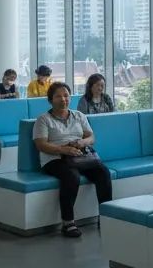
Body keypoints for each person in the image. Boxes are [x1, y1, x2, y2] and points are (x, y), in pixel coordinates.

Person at [33, 81, 112, 237]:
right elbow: (41, 145)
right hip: (54, 159)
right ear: (50, 100)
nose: (63, 99)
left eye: (66, 95)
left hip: (79, 154)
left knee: (103, 172)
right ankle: (68, 222)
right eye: (58, 96)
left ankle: (105, 217)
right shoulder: (43, 119)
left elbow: (91, 137)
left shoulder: (78, 115)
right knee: (71, 176)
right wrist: (63, 149)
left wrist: (81, 142)